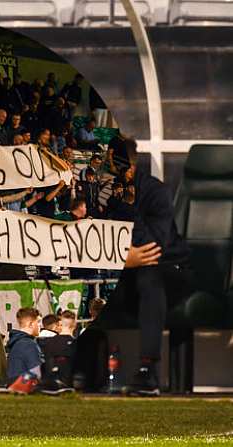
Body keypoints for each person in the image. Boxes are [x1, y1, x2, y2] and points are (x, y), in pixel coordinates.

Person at [99, 137, 193, 396]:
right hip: (126, 268)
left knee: (149, 277)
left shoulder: (155, 192)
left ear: (129, 167)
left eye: (113, 165)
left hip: (170, 268)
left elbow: (152, 248)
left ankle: (148, 369)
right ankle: (70, 370)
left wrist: (128, 209)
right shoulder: (107, 194)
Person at [6, 307, 43, 394]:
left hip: (14, 390)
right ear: (30, 324)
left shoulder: (16, 342)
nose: (41, 325)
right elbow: (37, 372)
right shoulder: (29, 344)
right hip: (23, 392)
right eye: (38, 322)